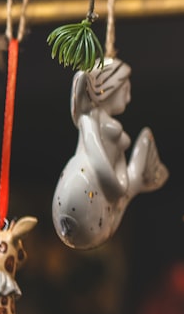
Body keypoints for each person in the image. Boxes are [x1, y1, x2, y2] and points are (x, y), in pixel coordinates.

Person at [52, 58, 168, 250]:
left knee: (129, 180)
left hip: (102, 196)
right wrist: (119, 187)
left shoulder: (95, 120)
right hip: (92, 189)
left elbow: (112, 160)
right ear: (109, 89)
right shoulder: (89, 120)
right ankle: (138, 178)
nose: (128, 98)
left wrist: (121, 181)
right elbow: (98, 162)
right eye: (126, 91)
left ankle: (138, 178)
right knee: (124, 191)